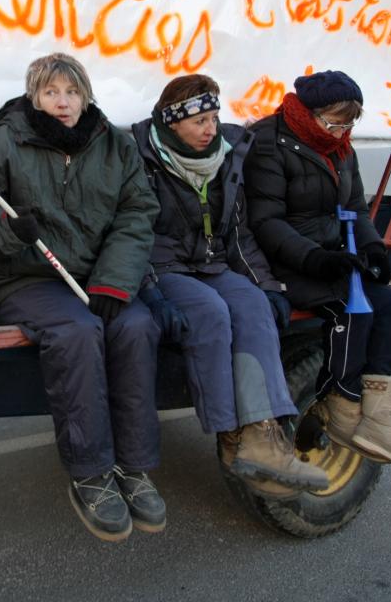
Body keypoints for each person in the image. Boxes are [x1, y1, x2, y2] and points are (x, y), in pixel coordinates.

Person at [0, 53, 164, 541]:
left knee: (135, 326)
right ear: (34, 97)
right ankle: (90, 472)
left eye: (70, 92)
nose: (61, 102)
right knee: (77, 330)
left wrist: (113, 281)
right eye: (50, 93)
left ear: (85, 94)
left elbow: (136, 213)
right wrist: (7, 230)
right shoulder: (5, 142)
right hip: (24, 276)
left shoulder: (116, 146)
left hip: (95, 277)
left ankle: (133, 465)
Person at [131, 75, 328, 499]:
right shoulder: (141, 156)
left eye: (214, 117)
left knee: (254, 306)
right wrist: (149, 288)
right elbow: (132, 232)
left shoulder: (225, 158)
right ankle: (230, 437)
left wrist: (267, 284)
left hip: (211, 261)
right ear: (171, 122)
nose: (210, 129)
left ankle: (263, 436)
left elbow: (237, 233)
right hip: (162, 265)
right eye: (200, 120)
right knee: (211, 313)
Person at [244, 70, 391, 478]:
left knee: (388, 303)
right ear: (308, 114)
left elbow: (357, 208)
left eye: (349, 124)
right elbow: (266, 221)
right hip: (284, 260)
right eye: (335, 122)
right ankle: (341, 403)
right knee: (350, 309)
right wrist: (316, 258)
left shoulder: (341, 148)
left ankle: (382, 421)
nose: (341, 132)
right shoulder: (269, 142)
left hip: (332, 254)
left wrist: (373, 248)